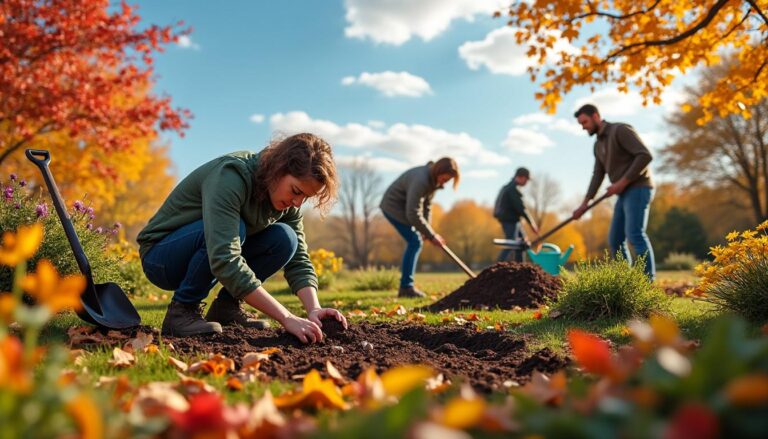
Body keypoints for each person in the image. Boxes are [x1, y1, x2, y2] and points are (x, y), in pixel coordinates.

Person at [137, 133, 348, 340]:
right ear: (278, 168)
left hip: (204, 250)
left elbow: (298, 257)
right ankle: (182, 311)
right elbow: (224, 258)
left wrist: (314, 309)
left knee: (285, 238)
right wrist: (286, 317)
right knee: (235, 230)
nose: (298, 202)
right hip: (161, 257)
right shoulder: (230, 176)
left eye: (305, 197)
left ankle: (226, 308)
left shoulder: (285, 202)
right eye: (295, 191)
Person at [572, 104, 656, 280]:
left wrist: (622, 182)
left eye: (585, 122)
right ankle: (625, 284)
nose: (583, 127)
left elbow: (645, 155)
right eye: (581, 124)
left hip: (639, 187)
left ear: (596, 116)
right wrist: (584, 204)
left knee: (635, 234)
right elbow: (598, 175)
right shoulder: (598, 145)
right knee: (615, 240)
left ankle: (648, 283)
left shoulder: (620, 130)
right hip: (624, 193)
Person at [380, 158, 459, 298]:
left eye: (448, 181)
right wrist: (432, 235)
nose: (445, 184)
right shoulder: (421, 180)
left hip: (404, 209)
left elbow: (426, 207)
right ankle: (406, 288)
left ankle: (406, 286)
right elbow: (412, 213)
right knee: (415, 241)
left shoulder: (432, 181)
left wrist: (427, 231)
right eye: (445, 179)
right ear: (439, 171)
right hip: (393, 207)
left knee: (416, 240)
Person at [494, 167, 539, 262]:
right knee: (511, 244)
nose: (526, 182)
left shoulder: (509, 187)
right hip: (510, 221)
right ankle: (496, 268)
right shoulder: (512, 189)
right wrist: (532, 224)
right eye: (526, 180)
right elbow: (522, 209)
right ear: (521, 177)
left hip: (514, 221)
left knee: (522, 244)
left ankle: (520, 269)